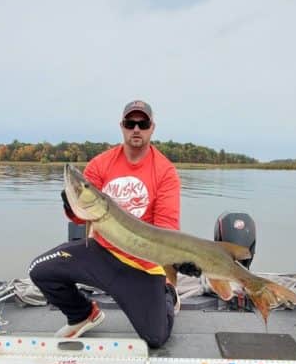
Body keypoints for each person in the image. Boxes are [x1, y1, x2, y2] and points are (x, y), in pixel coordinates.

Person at [29, 100, 195, 349]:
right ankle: (83, 314)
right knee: (40, 270)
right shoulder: (100, 164)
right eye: (130, 123)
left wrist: (178, 258)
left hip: (142, 266)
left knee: (155, 338)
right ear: (122, 126)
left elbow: (166, 229)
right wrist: (70, 203)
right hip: (101, 254)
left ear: (152, 128)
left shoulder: (165, 172)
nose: (136, 129)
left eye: (143, 123)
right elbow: (81, 217)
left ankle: (168, 292)